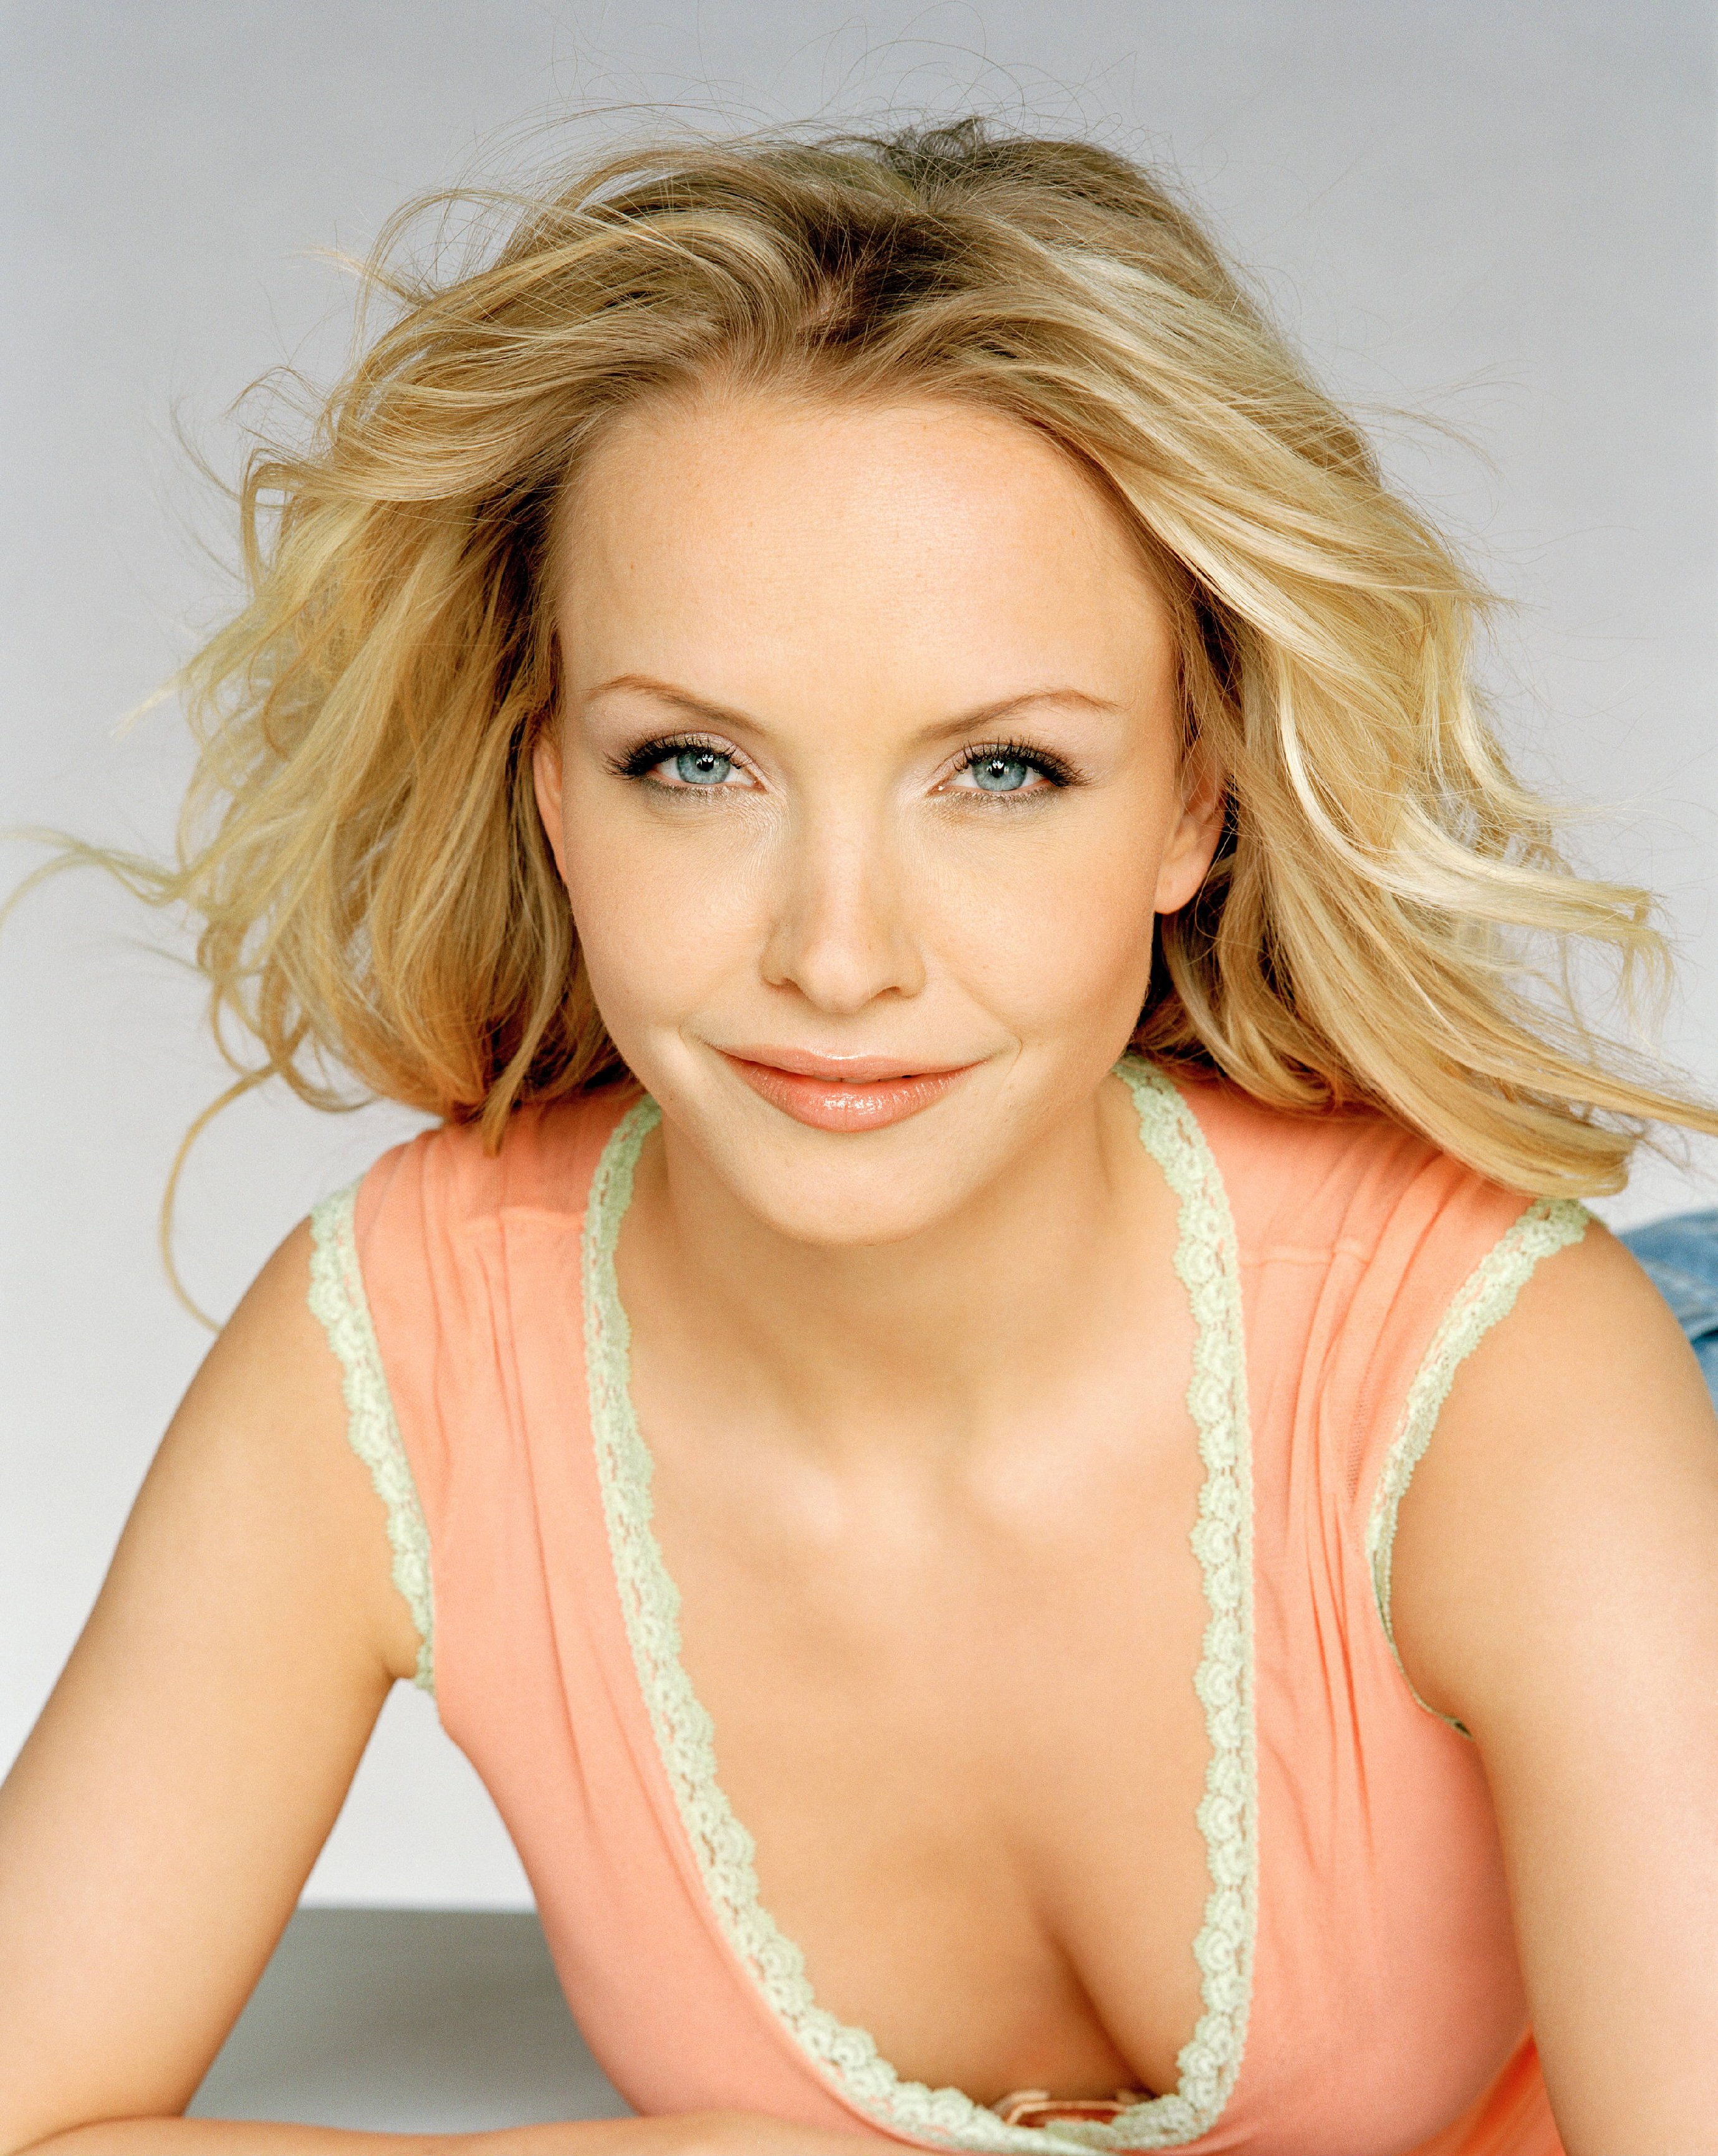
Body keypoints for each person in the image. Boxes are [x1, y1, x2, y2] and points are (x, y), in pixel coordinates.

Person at [1, 115, 1715, 2156]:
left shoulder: (1506, 1380)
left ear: (1193, 802)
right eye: (691, 762)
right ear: (549, 787)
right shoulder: (402, 1355)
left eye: (1000, 770)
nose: (835, 955)